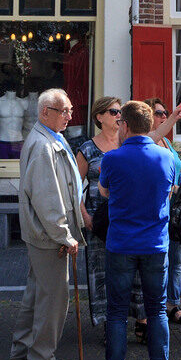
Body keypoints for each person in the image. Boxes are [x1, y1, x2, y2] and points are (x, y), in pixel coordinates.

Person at [98, 100, 179, 360]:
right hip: (155, 244)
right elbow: (170, 192)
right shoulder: (166, 158)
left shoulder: (112, 159)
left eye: (120, 123)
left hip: (120, 244)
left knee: (117, 312)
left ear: (126, 126)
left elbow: (104, 192)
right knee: (157, 309)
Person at [10, 89, 84, 360]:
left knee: (36, 293)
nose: (69, 115)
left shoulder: (49, 138)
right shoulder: (43, 145)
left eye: (69, 110)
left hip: (41, 233)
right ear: (45, 112)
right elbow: (47, 198)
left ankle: (21, 351)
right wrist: (64, 235)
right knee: (53, 296)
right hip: (48, 235)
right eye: (63, 111)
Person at [75, 95, 123, 327]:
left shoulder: (127, 144)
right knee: (101, 272)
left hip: (125, 219)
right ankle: (107, 323)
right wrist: (85, 216)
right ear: (99, 117)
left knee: (127, 271)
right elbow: (73, 186)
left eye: (120, 112)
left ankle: (134, 319)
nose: (118, 116)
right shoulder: (87, 148)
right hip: (98, 220)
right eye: (114, 112)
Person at [146, 97, 181, 326]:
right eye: (159, 113)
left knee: (176, 258)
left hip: (174, 210)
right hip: (157, 209)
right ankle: (157, 306)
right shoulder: (148, 142)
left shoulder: (166, 143)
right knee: (160, 260)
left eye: (165, 114)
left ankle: (173, 303)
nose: (163, 116)